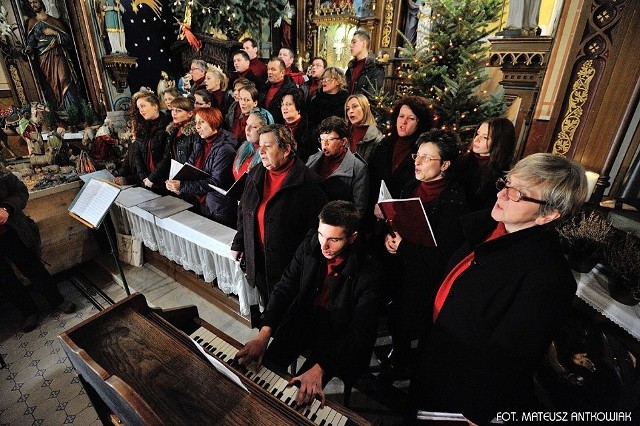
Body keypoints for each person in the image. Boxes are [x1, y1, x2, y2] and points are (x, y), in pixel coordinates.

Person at [409, 153, 588, 424]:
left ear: (548, 214)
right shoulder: (489, 227)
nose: (502, 194)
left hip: (462, 391)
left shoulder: (549, 278)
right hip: (436, 359)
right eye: (506, 183)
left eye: (518, 193)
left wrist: (476, 413)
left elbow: (511, 356)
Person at [236, 201, 380, 408]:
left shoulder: (369, 270)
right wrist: (264, 333)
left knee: (301, 396)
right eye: (322, 234)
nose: (324, 246)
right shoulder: (311, 244)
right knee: (263, 369)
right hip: (305, 318)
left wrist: (320, 368)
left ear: (352, 237)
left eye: (334, 239)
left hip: (339, 335)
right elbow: (285, 287)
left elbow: (360, 332)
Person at [380, 130, 466, 381]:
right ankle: (400, 352)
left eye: (427, 158)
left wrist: (404, 247)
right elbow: (399, 222)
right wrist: (390, 237)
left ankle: (407, 363)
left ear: (445, 165)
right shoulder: (411, 185)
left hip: (426, 277)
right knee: (395, 314)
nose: (416, 162)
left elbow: (443, 254)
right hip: (402, 266)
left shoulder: (453, 200)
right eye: (417, 155)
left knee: (410, 321)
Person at [231, 124, 327, 313]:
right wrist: (239, 242)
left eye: (268, 146)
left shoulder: (309, 183)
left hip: (289, 268)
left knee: (289, 315)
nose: (262, 151)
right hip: (259, 261)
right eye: (260, 146)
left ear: (286, 149)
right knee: (269, 309)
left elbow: (316, 233)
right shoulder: (256, 172)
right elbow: (245, 211)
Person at [0, 166, 76, 333]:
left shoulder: (2, 174)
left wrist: (6, 208)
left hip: (11, 232)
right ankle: (28, 311)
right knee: (5, 280)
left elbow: (20, 191)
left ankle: (56, 300)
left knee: (33, 267)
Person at [165, 107, 237, 227]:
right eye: (196, 122)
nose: (197, 126)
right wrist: (177, 184)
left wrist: (182, 186)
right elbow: (189, 168)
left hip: (217, 207)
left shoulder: (225, 149)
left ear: (214, 122)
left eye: (202, 122)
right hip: (200, 201)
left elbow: (215, 182)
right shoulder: (200, 142)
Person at [368, 96, 433, 200]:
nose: (404, 122)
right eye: (401, 116)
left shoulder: (424, 151)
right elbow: (372, 179)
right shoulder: (384, 144)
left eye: (411, 118)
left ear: (420, 123)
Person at [306, 117, 368, 217]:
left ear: (343, 141)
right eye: (322, 139)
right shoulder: (313, 159)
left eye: (330, 139)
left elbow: (359, 210)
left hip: (338, 225)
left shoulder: (358, 167)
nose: (324, 145)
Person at [26, 0, 81, 110]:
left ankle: (74, 109)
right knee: (53, 84)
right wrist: (29, 47)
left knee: (63, 78)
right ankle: (63, 109)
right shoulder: (31, 22)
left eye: (35, 2)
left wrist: (54, 33)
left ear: (41, 2)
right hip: (43, 57)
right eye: (31, 3)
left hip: (58, 55)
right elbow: (31, 40)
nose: (33, 5)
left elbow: (68, 40)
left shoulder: (54, 21)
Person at [454, 117, 516, 212]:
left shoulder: (502, 176)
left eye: (485, 137)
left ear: (499, 142)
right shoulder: (462, 160)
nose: (476, 139)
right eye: (477, 134)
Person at [131, 91, 171, 191]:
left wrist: (151, 178)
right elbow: (137, 155)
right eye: (139, 108)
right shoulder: (141, 127)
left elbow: (167, 157)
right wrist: (144, 177)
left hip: (165, 181)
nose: (141, 111)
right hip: (147, 182)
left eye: (143, 106)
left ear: (155, 106)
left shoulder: (168, 125)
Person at [154, 96, 198, 182]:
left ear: (190, 114)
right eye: (172, 110)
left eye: (179, 111)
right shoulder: (173, 131)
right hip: (176, 177)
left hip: (189, 180)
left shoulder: (195, 134)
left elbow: (193, 162)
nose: (174, 113)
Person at [232, 108, 273, 181]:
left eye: (254, 127)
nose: (247, 129)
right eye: (247, 124)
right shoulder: (243, 147)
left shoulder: (269, 155)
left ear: (266, 130)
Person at [259, 57, 301, 125]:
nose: (269, 72)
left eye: (273, 69)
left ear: (282, 72)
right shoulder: (264, 87)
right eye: (268, 69)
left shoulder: (291, 91)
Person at [307, 67, 349, 134]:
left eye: (327, 78)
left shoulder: (346, 101)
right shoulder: (316, 100)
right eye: (323, 78)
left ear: (338, 81)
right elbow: (310, 124)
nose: (323, 80)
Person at [345, 30, 384, 98]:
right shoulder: (351, 66)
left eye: (354, 42)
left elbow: (372, 96)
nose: (351, 45)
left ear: (363, 44)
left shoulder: (376, 68)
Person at [345, 94, 383, 162]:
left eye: (354, 106)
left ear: (365, 108)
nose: (350, 111)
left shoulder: (377, 138)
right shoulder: (345, 134)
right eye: (348, 109)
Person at [280, 90, 312, 162]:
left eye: (288, 104)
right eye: (282, 104)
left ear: (298, 107)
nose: (284, 107)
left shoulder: (310, 129)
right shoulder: (278, 126)